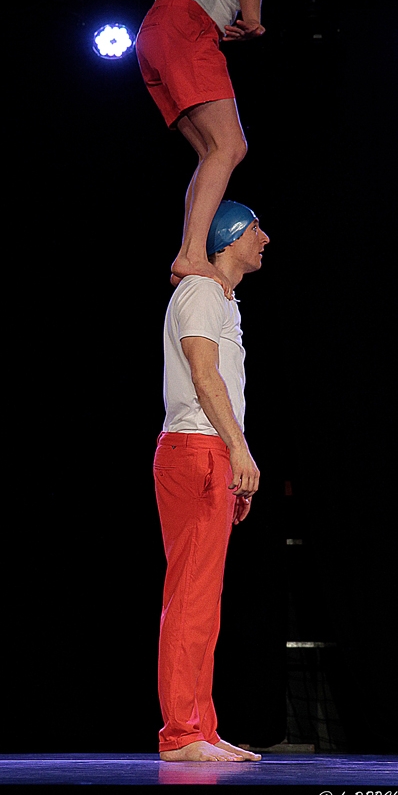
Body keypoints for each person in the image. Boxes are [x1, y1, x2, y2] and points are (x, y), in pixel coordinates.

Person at [136, 0, 307, 299]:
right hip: (182, 23)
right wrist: (252, 19)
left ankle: (188, 254)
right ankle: (191, 253)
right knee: (231, 144)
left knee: (214, 150)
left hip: (163, 32)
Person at [154, 199, 270, 761]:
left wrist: (232, 465)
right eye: (255, 229)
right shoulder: (200, 292)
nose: (265, 239)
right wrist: (237, 450)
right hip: (197, 450)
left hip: (211, 455)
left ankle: (201, 728)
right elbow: (203, 377)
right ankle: (181, 734)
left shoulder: (223, 299)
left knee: (206, 600)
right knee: (190, 597)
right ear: (226, 237)